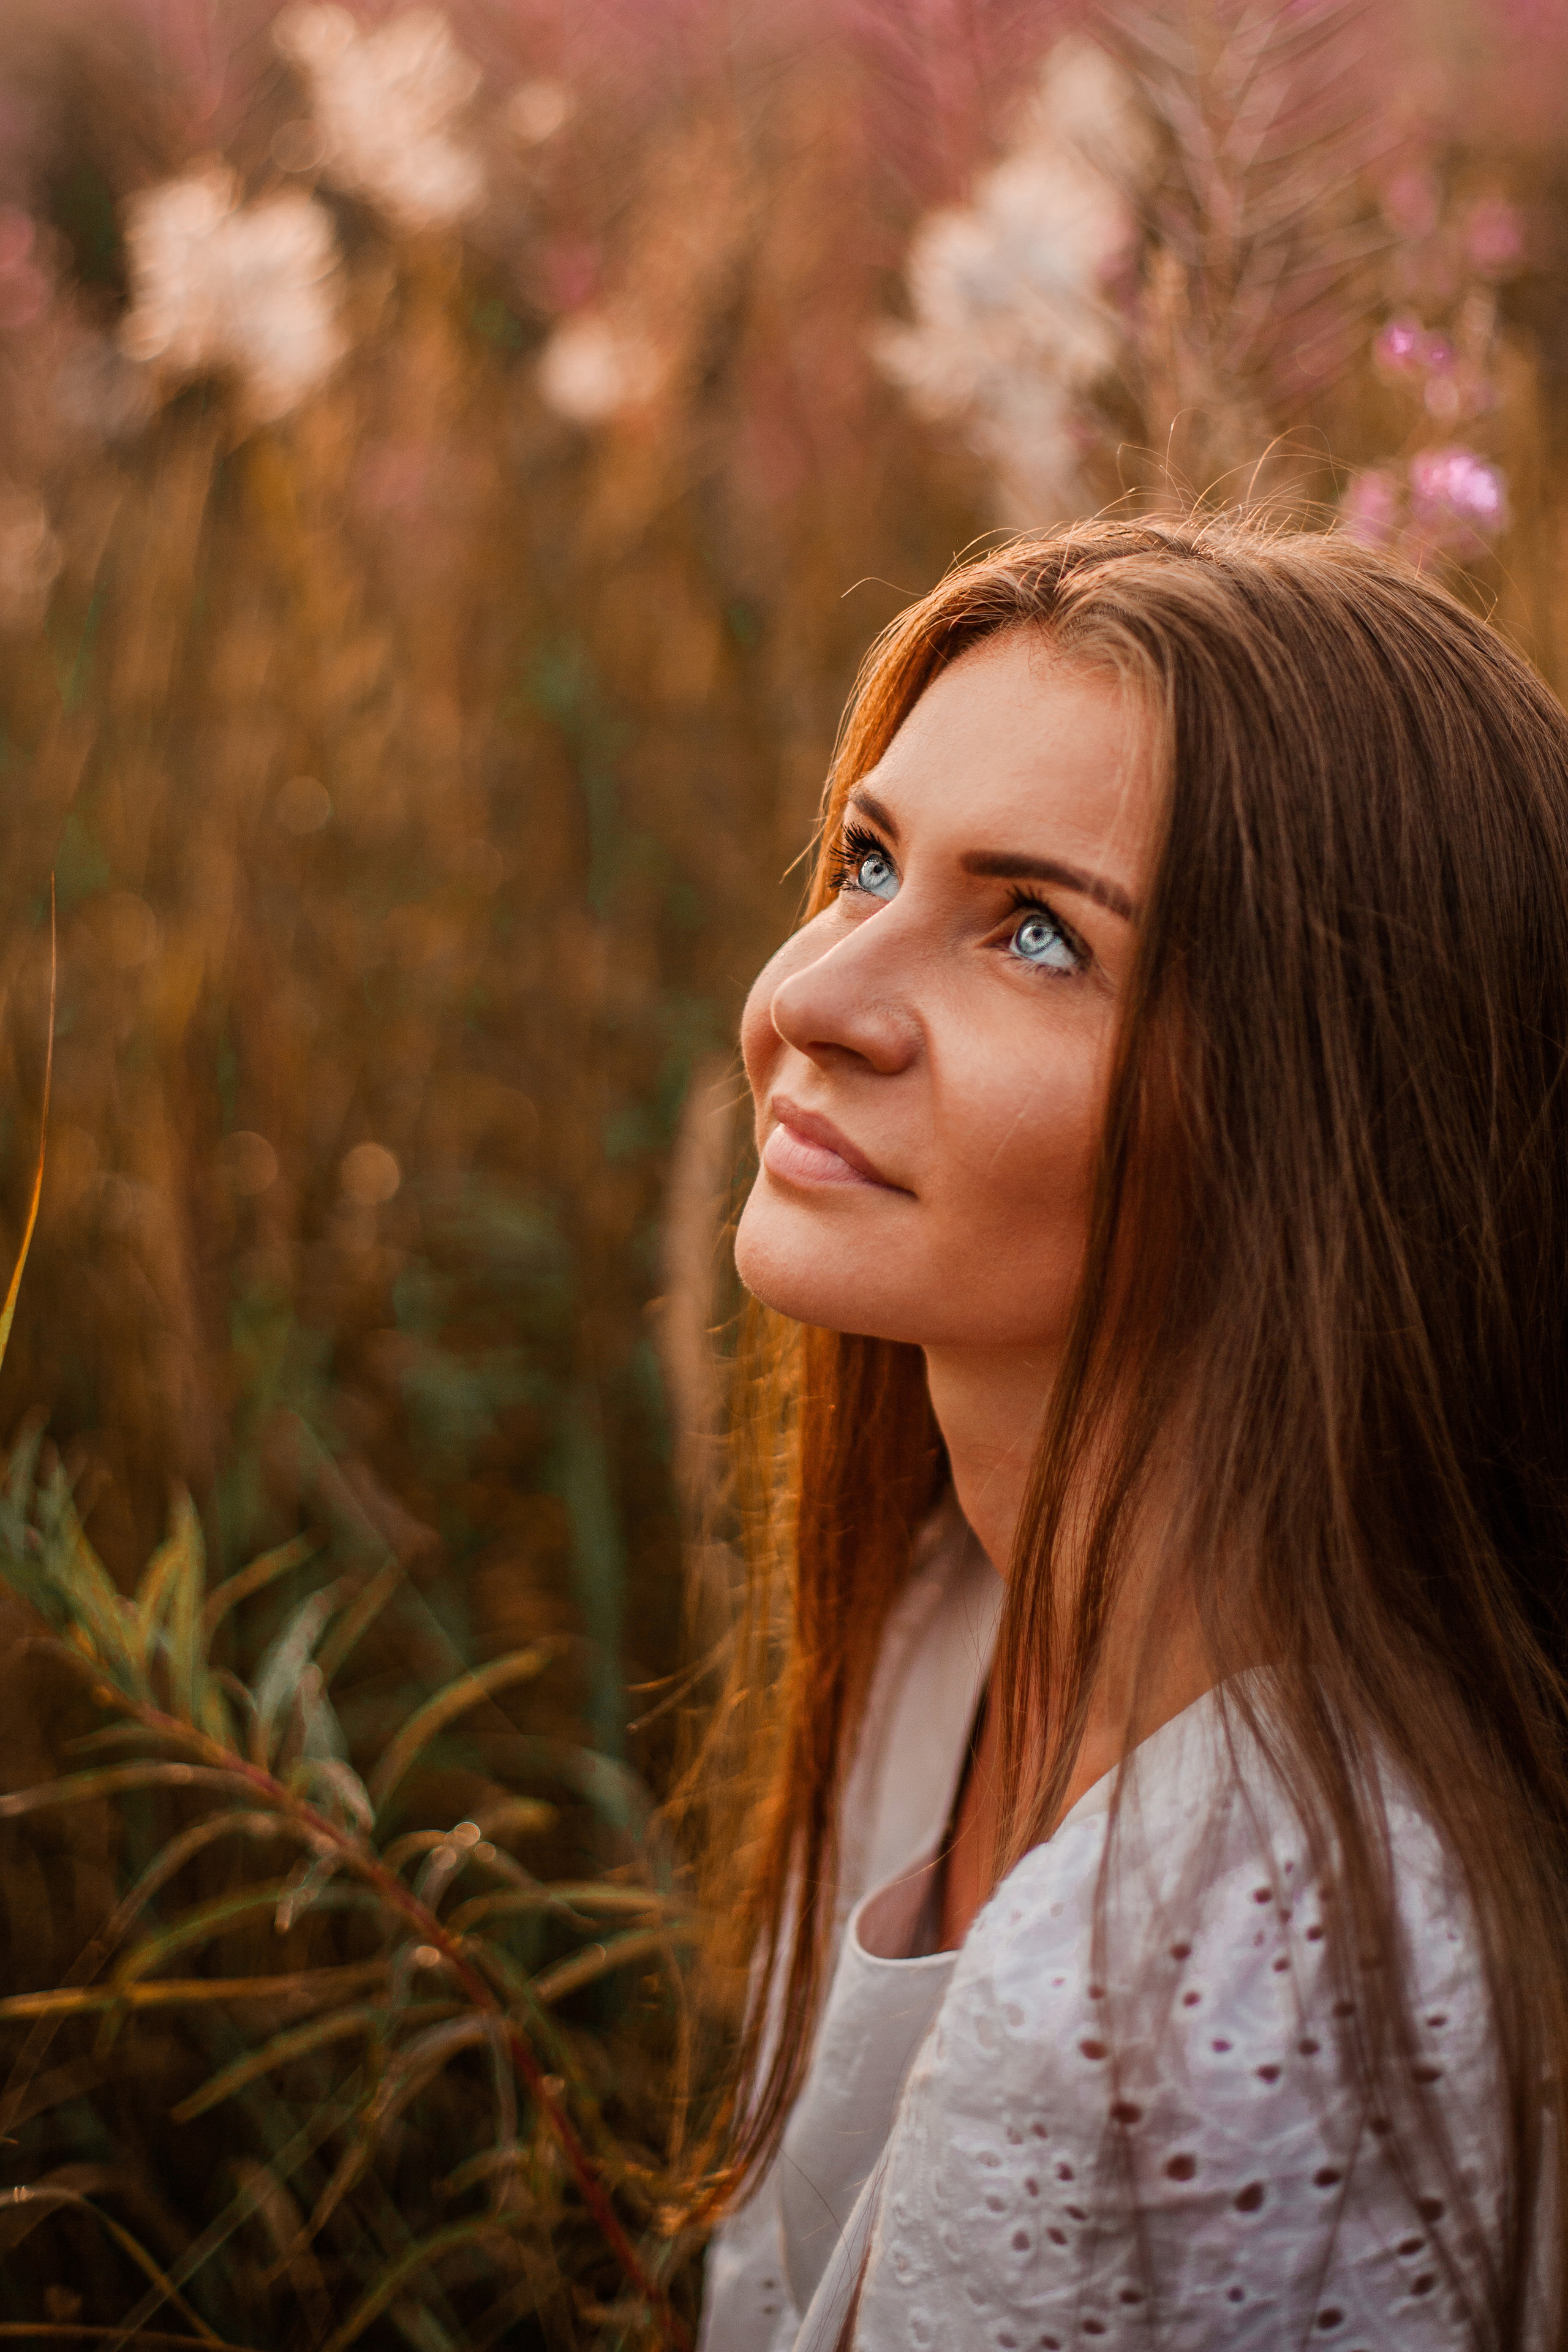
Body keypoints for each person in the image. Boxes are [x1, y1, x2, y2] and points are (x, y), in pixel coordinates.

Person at [694, 516, 1568, 2351]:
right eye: (865, 863)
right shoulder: (940, 1631)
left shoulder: (1218, 1983)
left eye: (1034, 934)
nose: (810, 1002)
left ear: (1327, 1119)